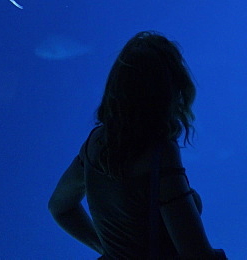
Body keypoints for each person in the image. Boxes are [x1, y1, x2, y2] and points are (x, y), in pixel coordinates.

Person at [48, 31, 226, 259]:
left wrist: (107, 250)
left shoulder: (95, 143)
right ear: (170, 90)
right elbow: (196, 254)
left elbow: (59, 208)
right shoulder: (160, 155)